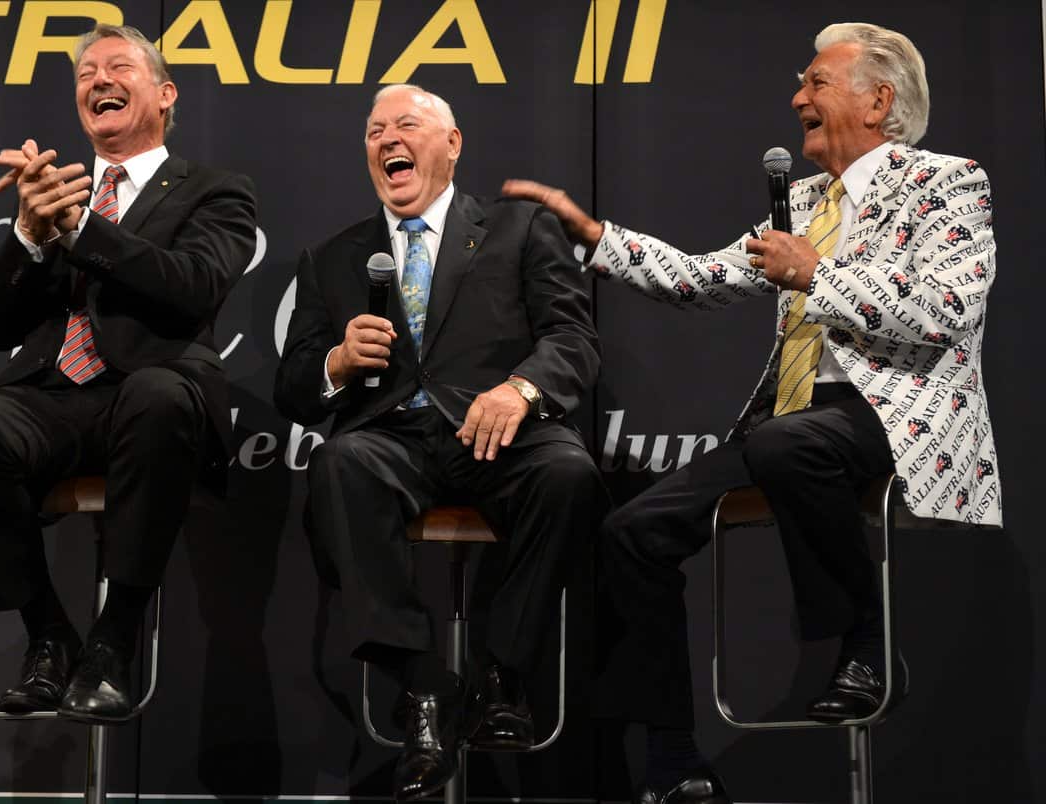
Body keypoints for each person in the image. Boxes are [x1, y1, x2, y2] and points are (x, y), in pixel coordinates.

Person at [505, 22, 1001, 804]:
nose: (796, 97)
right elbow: (700, 279)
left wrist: (818, 272)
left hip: (897, 413)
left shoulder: (949, 181)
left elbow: (949, 311)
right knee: (632, 532)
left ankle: (867, 649)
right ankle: (675, 759)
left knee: (787, 446)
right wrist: (595, 236)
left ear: (879, 101)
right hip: (795, 418)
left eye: (815, 83)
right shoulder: (804, 199)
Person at [274, 84, 604, 801]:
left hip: (502, 432)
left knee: (569, 476)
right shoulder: (332, 256)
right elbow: (293, 386)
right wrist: (333, 363)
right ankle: (424, 687)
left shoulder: (518, 228)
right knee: (339, 464)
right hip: (390, 439)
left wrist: (519, 389)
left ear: (451, 144)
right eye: (374, 131)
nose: (387, 140)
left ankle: (502, 675)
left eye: (407, 126)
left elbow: (573, 339)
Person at [0, 24, 257, 724]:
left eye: (118, 67)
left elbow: (192, 286)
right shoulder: (55, 195)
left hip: (150, 397)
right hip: (51, 400)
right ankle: (48, 634)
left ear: (164, 94)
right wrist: (29, 237)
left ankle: (113, 638)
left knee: (161, 395)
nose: (97, 79)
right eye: (85, 73)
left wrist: (82, 230)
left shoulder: (216, 192)